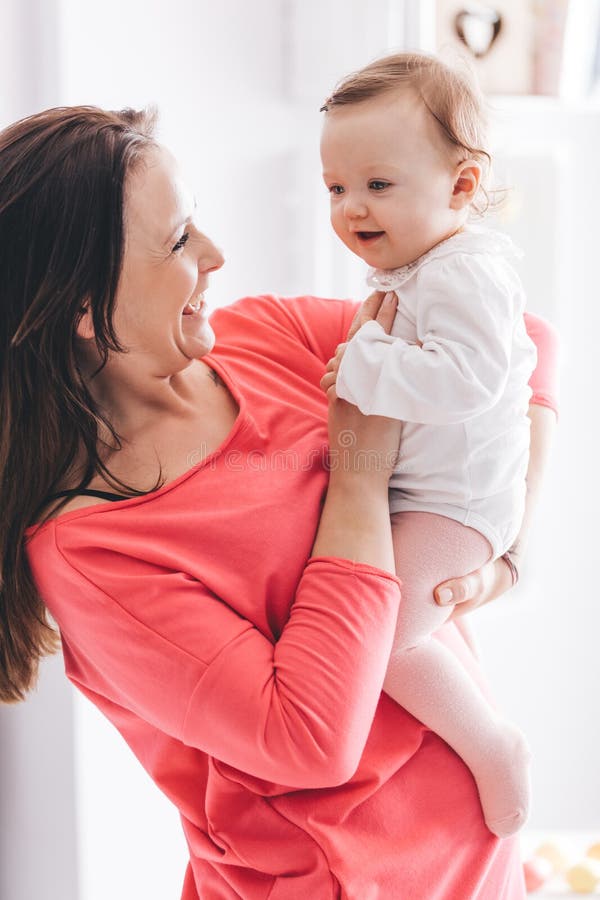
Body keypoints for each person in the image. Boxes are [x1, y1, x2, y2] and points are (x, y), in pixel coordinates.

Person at [0, 104, 558, 899]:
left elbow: (523, 348)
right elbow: (309, 739)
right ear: (84, 311)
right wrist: (360, 471)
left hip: (479, 865)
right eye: (177, 242)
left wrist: (506, 549)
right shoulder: (92, 551)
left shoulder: (266, 339)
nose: (216, 255)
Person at [320, 51, 541, 838]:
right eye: (336, 189)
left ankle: (492, 743)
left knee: (380, 642)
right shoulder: (421, 272)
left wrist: (369, 363)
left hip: (459, 507)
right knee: (400, 625)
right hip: (427, 497)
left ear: (462, 186)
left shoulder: (463, 272)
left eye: (378, 185)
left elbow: (472, 380)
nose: (351, 208)